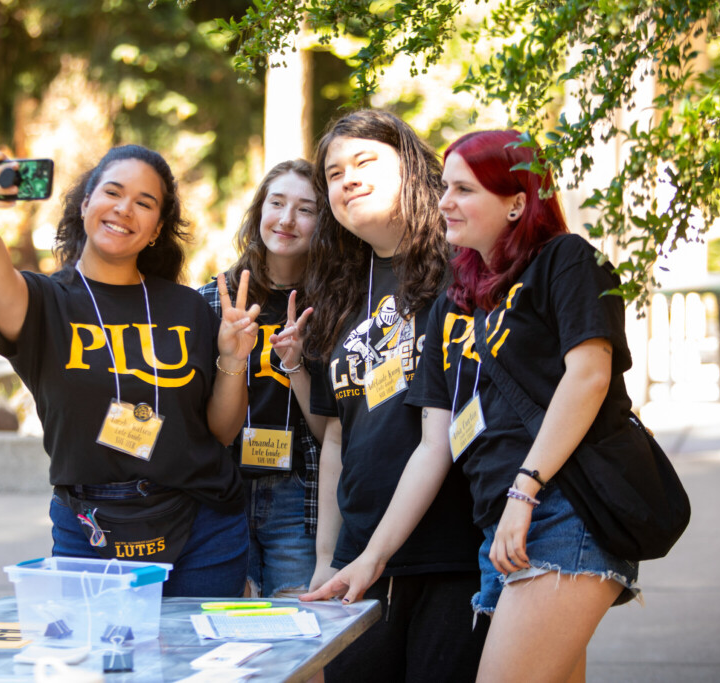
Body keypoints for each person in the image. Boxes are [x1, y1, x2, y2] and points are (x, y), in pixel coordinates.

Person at [307, 129, 642, 682]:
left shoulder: (565, 259)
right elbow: (434, 445)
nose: (444, 202)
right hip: (500, 528)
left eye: (463, 189)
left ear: (516, 201)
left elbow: (589, 377)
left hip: (559, 508)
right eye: (445, 188)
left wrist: (525, 487)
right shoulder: (458, 300)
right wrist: (369, 558)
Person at [0, 144, 261, 598]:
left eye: (145, 203)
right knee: (102, 667)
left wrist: (234, 360)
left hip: (204, 527)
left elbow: (220, 431)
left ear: (157, 229)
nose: (125, 209)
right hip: (89, 531)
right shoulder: (43, 303)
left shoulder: (187, 307)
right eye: (113, 193)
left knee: (197, 668)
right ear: (85, 204)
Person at [293, 110, 487, 682]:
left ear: (413, 168)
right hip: (358, 562)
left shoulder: (465, 270)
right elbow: (334, 439)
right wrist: (326, 560)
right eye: (333, 173)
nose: (347, 179)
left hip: (454, 552)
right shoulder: (336, 293)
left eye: (365, 162)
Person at [197, 159, 325, 599]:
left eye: (306, 209)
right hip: (225, 492)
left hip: (298, 495)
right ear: (259, 211)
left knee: (305, 636)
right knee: (233, 642)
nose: (287, 219)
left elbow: (333, 426)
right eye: (277, 203)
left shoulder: (333, 305)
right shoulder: (212, 300)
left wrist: (299, 362)